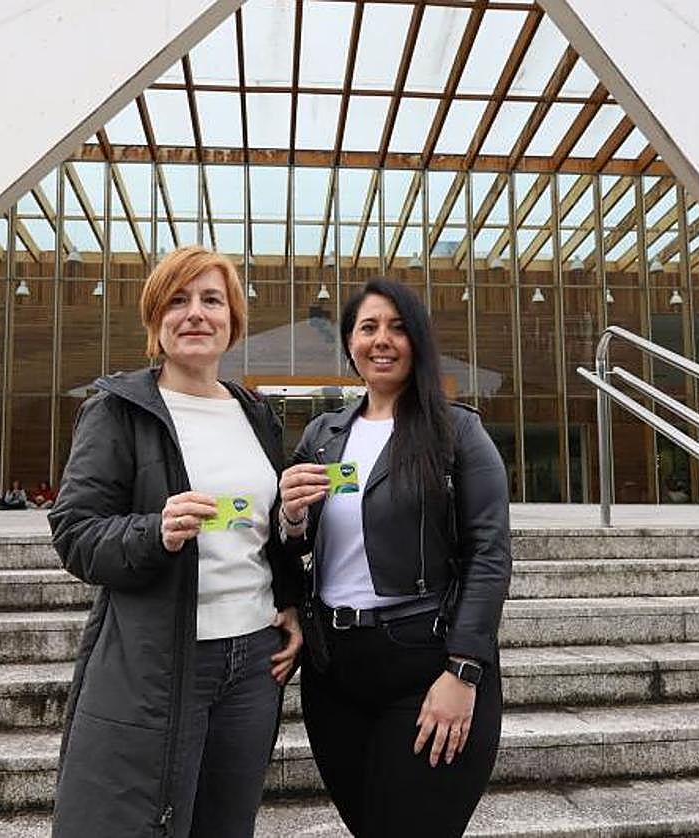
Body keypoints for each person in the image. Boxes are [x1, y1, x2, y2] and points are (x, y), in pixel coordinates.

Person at [47, 245, 303, 837]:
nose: (195, 314)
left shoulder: (254, 413)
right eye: (177, 301)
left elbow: (261, 533)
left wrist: (288, 597)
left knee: (226, 823)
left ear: (232, 320)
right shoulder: (118, 410)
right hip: (163, 658)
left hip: (253, 662)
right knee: (145, 823)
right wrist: (154, 530)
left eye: (212, 300)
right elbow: (76, 532)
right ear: (155, 320)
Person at [278, 278, 512, 837]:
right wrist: (289, 517)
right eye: (367, 328)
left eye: (398, 327)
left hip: (424, 662)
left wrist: (464, 670)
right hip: (334, 672)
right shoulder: (323, 434)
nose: (382, 341)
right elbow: (295, 542)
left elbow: (489, 554)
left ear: (419, 341)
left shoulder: (456, 431)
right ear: (350, 343)